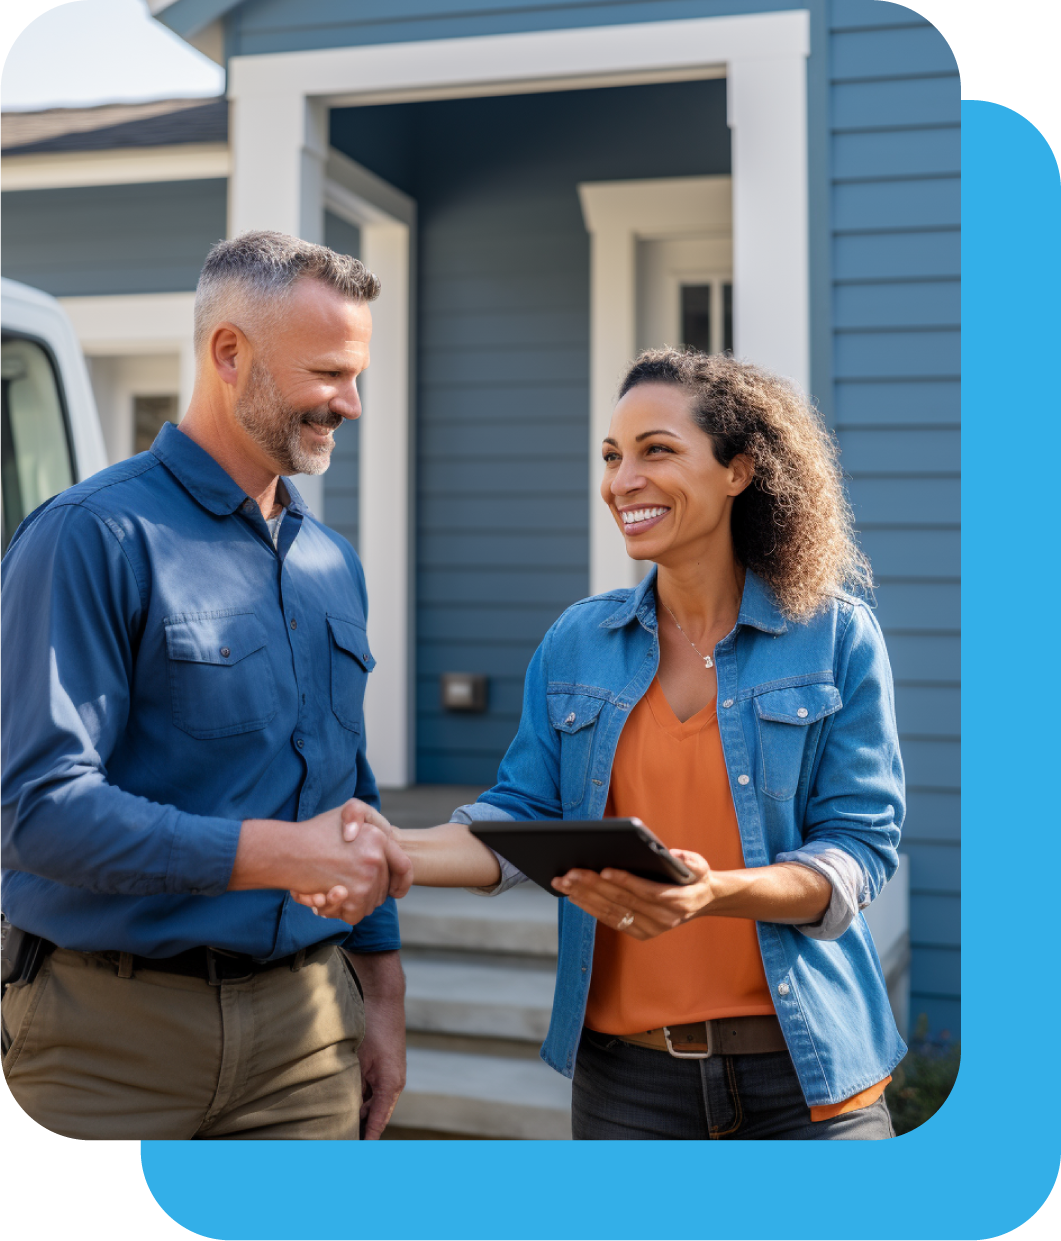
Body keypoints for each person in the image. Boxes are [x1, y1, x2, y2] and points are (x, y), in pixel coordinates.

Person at [299, 348, 907, 1140]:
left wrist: (713, 892)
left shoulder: (831, 633)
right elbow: (516, 819)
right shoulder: (577, 642)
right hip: (628, 1085)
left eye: (657, 450)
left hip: (809, 1079)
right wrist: (393, 847)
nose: (622, 480)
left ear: (738, 471)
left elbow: (859, 847)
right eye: (613, 456)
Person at [0, 231, 413, 1141]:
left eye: (357, 376)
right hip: (107, 1042)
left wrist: (380, 995)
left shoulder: (331, 564)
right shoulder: (87, 537)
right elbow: (35, 810)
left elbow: (350, 794)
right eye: (329, 374)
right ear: (230, 354)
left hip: (306, 1038)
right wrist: (280, 853)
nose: (349, 403)